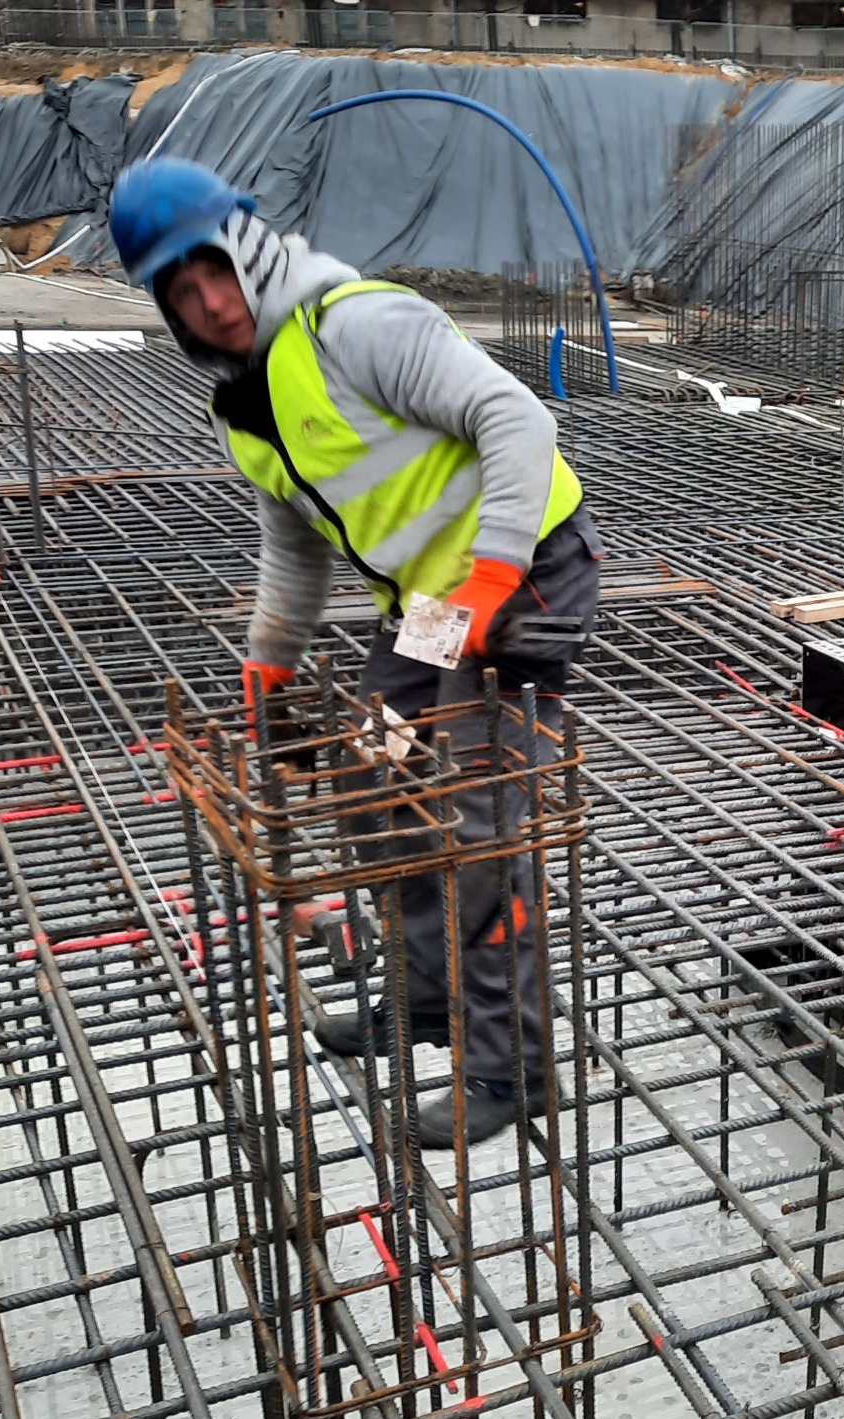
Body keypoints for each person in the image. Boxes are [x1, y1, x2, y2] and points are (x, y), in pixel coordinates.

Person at [110, 156, 600, 1148]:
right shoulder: (246, 400)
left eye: (213, 272)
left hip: (524, 578)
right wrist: (270, 656)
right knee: (374, 785)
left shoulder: (355, 325)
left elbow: (517, 417)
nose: (209, 303)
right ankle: (424, 999)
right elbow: (292, 539)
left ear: (245, 248)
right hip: (430, 603)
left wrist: (494, 573)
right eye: (181, 291)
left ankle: (517, 1068)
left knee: (482, 826)